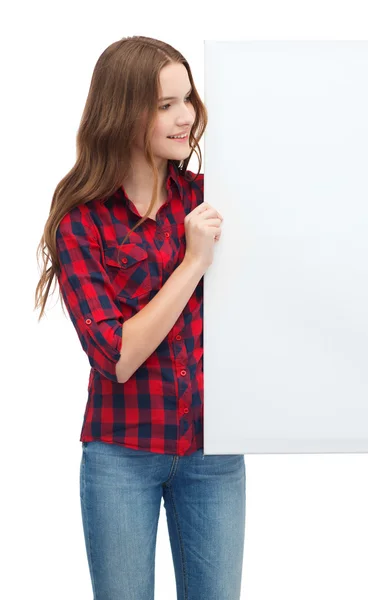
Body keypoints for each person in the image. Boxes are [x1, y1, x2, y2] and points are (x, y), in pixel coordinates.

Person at [34, 35, 246, 600]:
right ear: (124, 112)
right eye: (165, 105)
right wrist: (193, 262)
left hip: (213, 451)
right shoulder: (81, 222)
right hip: (120, 457)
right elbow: (117, 357)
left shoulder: (208, 199)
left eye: (188, 99)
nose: (186, 117)